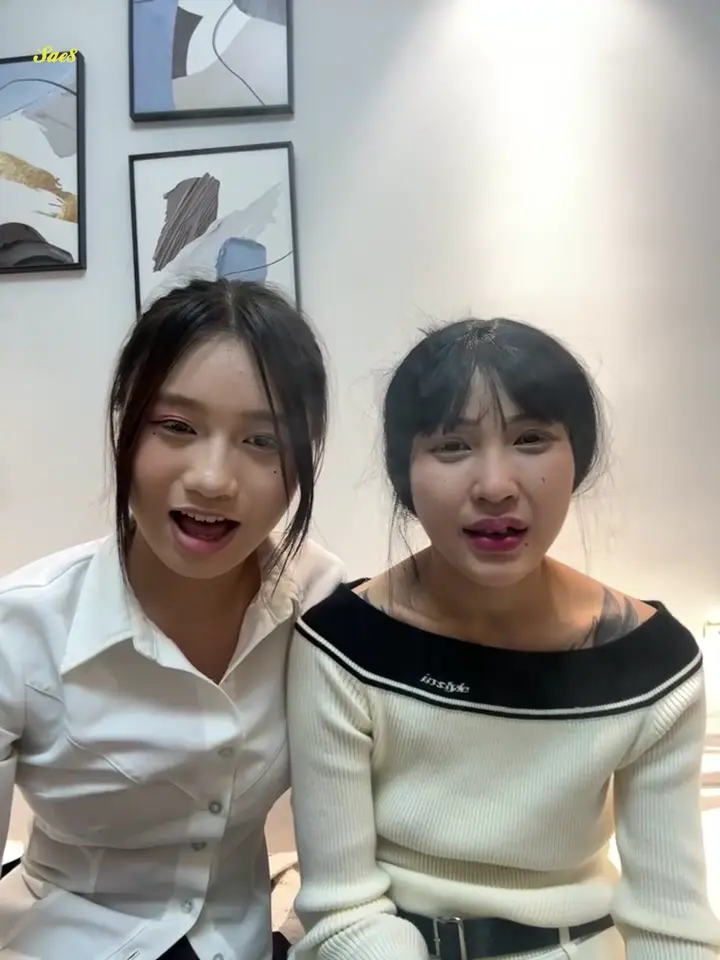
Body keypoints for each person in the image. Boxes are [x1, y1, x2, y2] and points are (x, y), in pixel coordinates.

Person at [287, 317, 720, 960]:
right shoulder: (343, 643)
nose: (495, 486)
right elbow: (343, 912)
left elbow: (670, 926)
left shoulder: (653, 660)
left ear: (578, 457)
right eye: (452, 446)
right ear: (406, 472)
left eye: (531, 438)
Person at [0, 278, 344, 960]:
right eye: (176, 427)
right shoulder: (23, 628)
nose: (213, 478)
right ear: (125, 425)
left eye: (262, 440)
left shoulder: (324, 605)